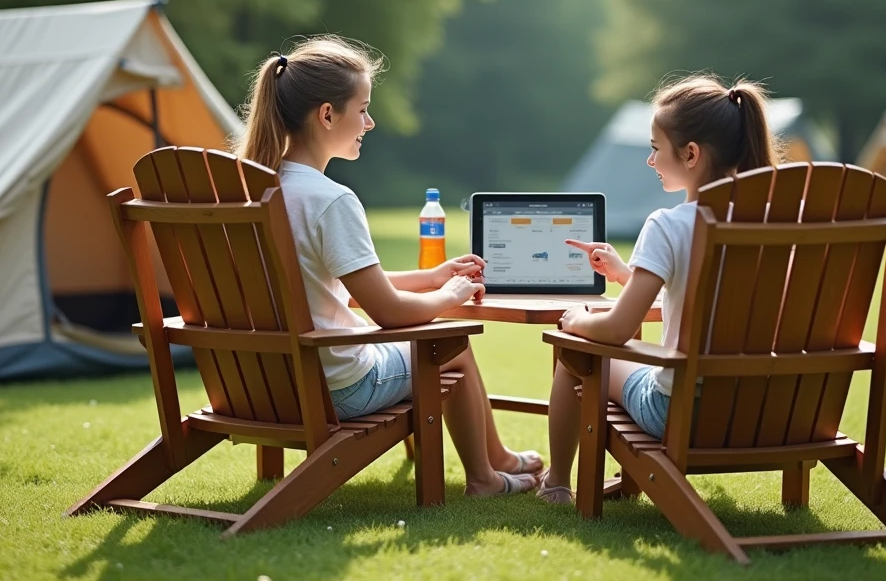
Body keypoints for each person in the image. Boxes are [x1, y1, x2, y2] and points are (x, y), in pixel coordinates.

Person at [235, 36, 542, 496]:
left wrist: (431, 277)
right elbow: (389, 312)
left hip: (256, 385)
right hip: (333, 389)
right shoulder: (329, 199)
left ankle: (497, 460)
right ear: (326, 115)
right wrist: (449, 296)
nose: (370, 122)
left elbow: (334, 282)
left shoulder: (254, 190)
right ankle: (485, 475)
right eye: (362, 109)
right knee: (452, 345)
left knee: (440, 344)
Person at [537, 75, 784, 504]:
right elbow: (713, 298)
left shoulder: (669, 225)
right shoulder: (779, 221)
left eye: (655, 148)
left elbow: (616, 330)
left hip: (683, 414)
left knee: (573, 354)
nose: (650, 160)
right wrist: (627, 275)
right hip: (773, 410)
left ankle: (556, 484)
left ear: (690, 154)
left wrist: (577, 320)